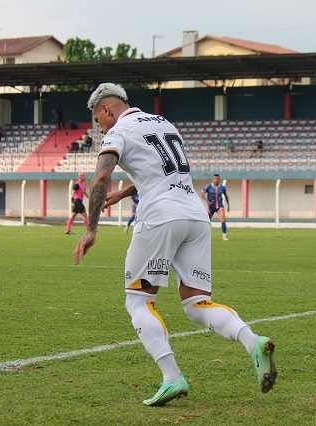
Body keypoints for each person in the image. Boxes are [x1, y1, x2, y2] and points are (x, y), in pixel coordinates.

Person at [73, 83, 276, 407]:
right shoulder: (163, 122)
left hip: (160, 217)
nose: (100, 128)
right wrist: (124, 194)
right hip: (195, 214)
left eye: (98, 120)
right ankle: (253, 342)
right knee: (197, 303)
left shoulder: (117, 132)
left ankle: (171, 377)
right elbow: (164, 170)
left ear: (107, 110)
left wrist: (91, 229)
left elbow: (100, 178)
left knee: (138, 301)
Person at [200, 174, 230, 241]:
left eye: (217, 179)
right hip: (211, 207)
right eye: (215, 179)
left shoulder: (222, 187)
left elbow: (226, 196)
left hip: (219, 206)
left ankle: (224, 236)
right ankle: (204, 236)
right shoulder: (208, 186)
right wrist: (206, 201)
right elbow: (201, 193)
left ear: (219, 179)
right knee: (207, 221)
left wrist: (228, 205)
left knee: (223, 220)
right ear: (212, 179)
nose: (216, 180)